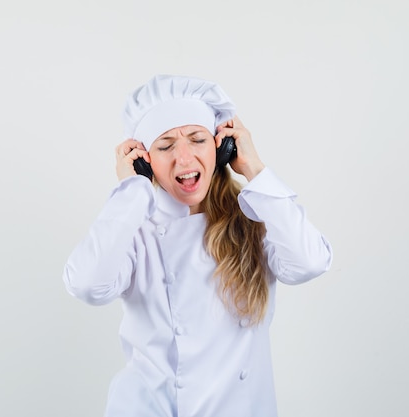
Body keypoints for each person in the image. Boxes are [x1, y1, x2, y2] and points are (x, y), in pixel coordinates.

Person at [62, 74, 333, 417]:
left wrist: (255, 169)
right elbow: (87, 285)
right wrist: (131, 192)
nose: (185, 158)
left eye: (196, 139)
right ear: (145, 160)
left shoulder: (254, 216)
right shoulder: (134, 227)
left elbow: (310, 262)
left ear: (221, 148)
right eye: (165, 145)